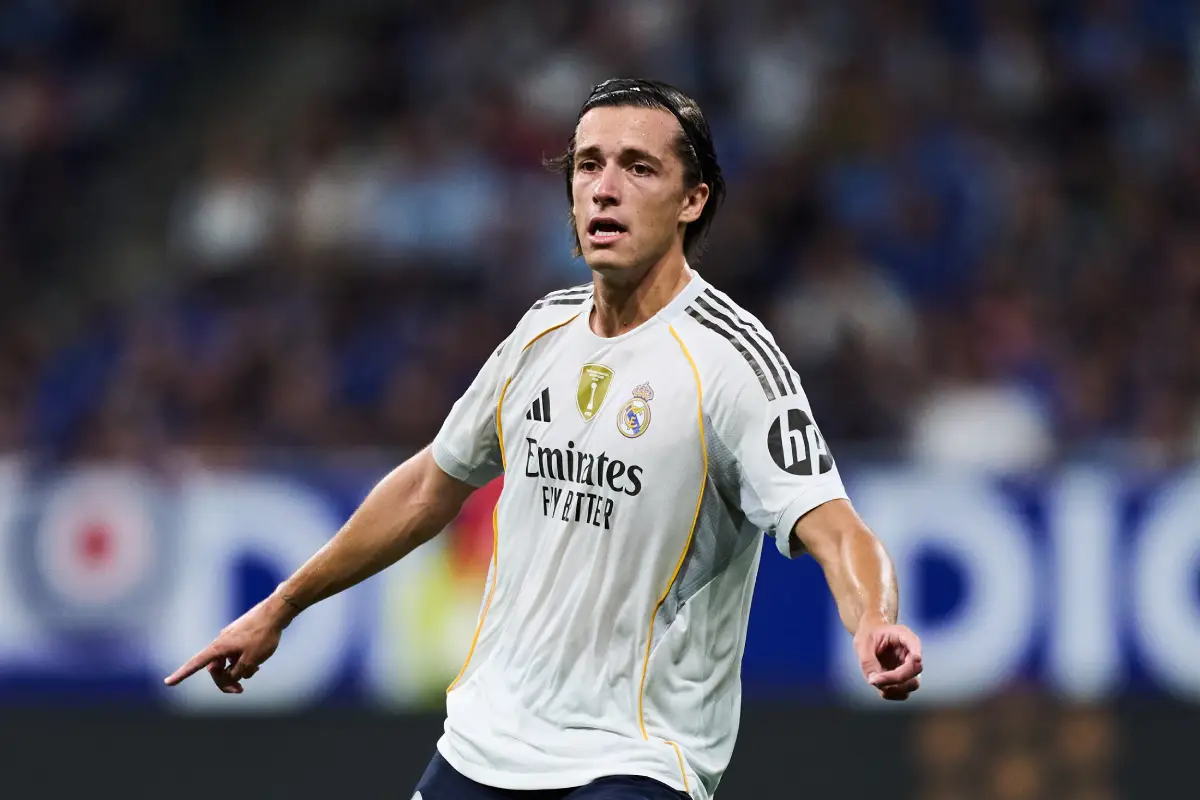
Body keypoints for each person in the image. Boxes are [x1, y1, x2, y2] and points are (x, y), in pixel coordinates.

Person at [165, 78, 923, 800]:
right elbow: (432, 484)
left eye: (638, 167)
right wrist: (282, 604)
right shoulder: (541, 335)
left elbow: (834, 525)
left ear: (694, 199)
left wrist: (875, 622)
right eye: (588, 165)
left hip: (637, 754)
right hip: (486, 742)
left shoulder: (732, 361)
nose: (604, 187)